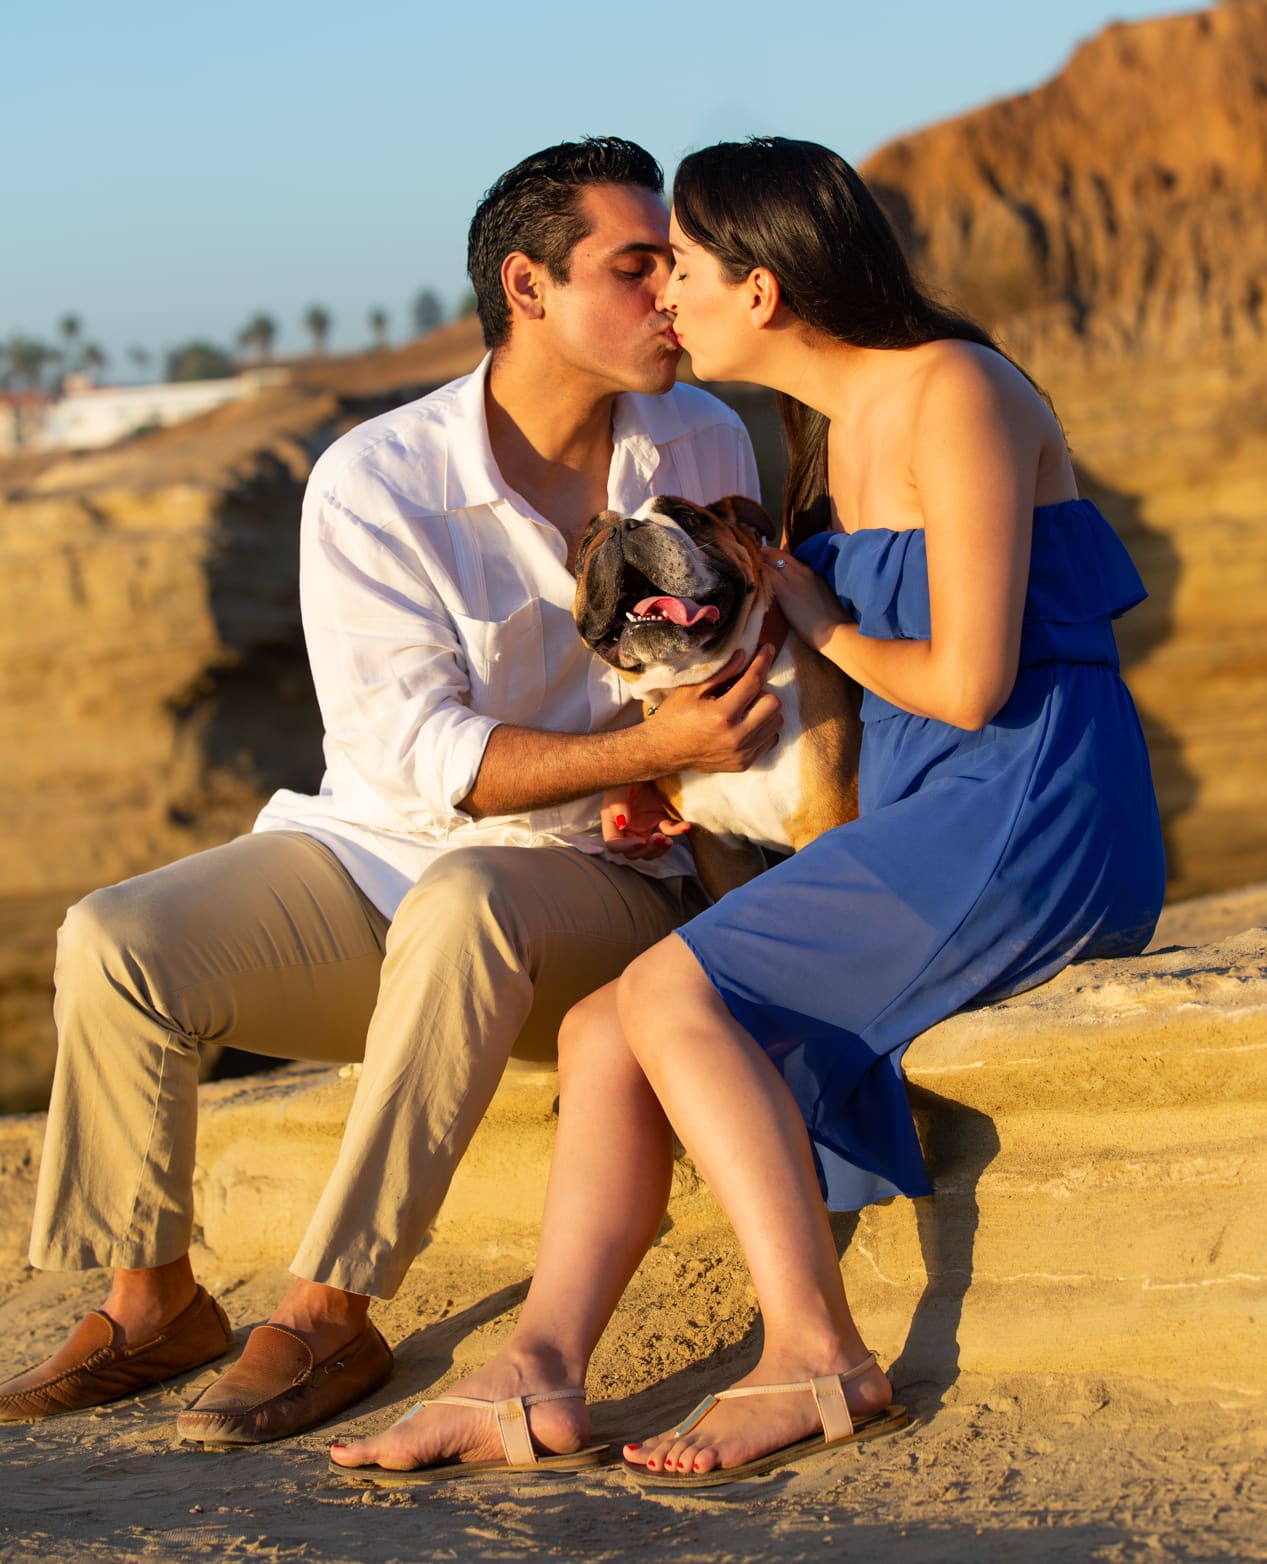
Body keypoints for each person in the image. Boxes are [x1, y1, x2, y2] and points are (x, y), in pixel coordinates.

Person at [330, 137, 1166, 1487]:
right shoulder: (824, 434)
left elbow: (969, 683)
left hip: (1027, 809)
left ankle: (816, 1350)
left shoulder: (954, 389)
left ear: (763, 290)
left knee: (664, 997)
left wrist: (816, 612)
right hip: (927, 811)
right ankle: (532, 1369)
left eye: (686, 270)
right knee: (609, 1027)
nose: (667, 298)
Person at [0, 138, 782, 1444]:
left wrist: (672, 776)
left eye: (674, 264)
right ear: (528, 289)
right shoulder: (377, 479)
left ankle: (327, 1313)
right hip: (378, 855)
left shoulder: (696, 432)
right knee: (116, 940)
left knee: (472, 899)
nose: (671, 293)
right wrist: (652, 749)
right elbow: (424, 754)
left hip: (608, 886)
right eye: (636, 266)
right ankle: (154, 1304)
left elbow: (739, 656)